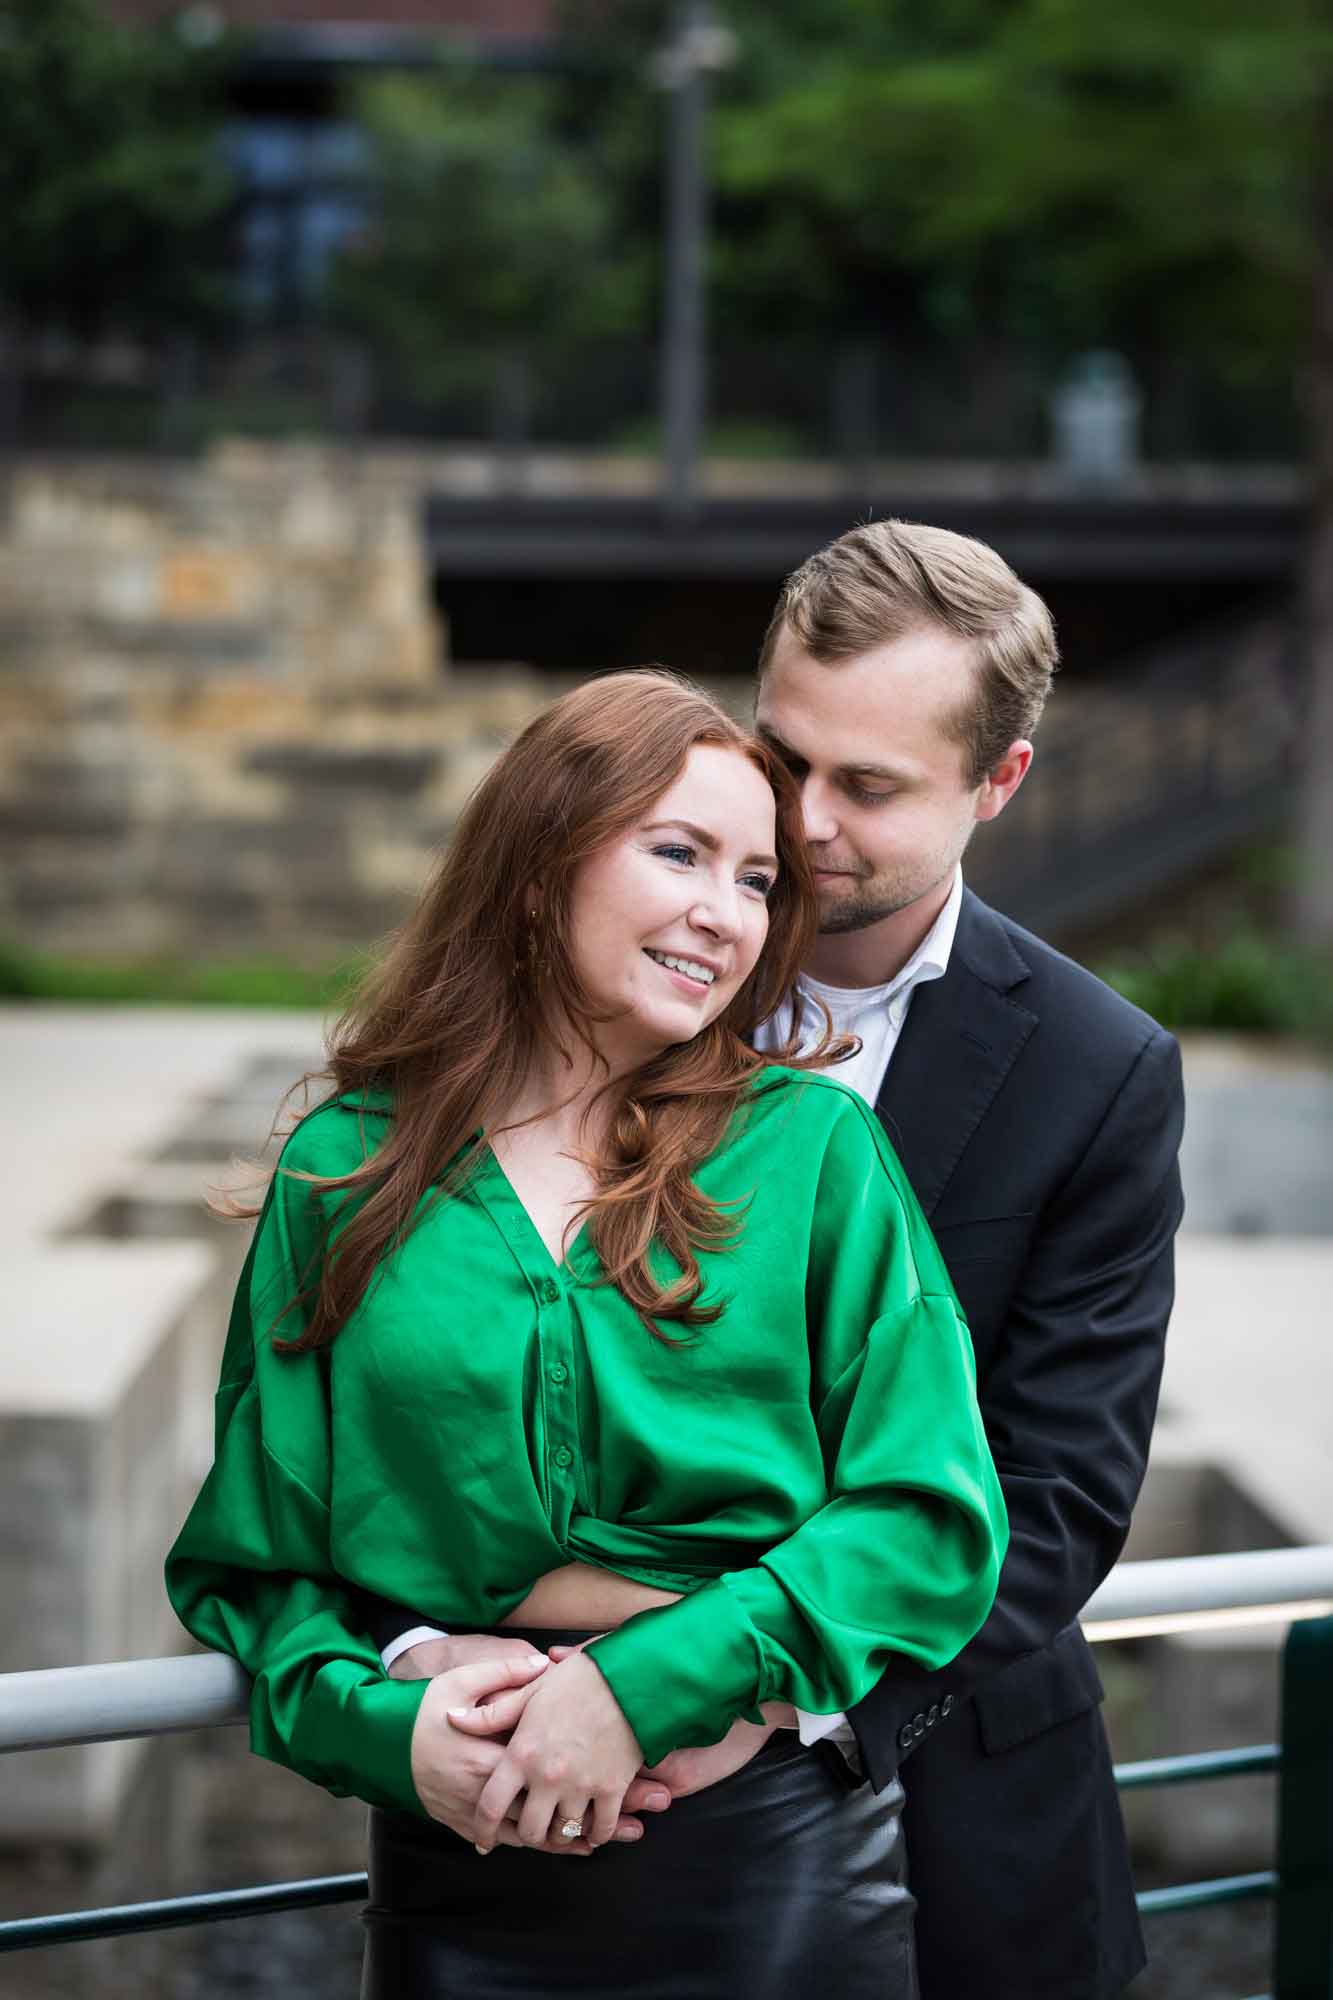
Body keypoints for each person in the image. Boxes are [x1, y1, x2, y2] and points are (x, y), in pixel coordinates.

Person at [373, 523, 1186, 2000]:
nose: (801, 821)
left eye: (868, 786)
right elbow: (403, 1409)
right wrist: (427, 1655)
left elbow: (1053, 1501)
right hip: (538, 1805)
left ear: (995, 784)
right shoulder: (605, 976)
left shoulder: (1099, 1071)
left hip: (959, 1829)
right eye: (783, 752)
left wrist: (742, 1698)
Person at [165, 668, 1008, 1998]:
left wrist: (639, 1687)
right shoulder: (350, 1167)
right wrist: (391, 1727)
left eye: (754, 880)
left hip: (755, 1855)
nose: (722, 914)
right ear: (540, 864)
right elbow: (255, 1563)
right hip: (461, 1857)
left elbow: (925, 1514)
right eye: (677, 852)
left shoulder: (814, 1150)